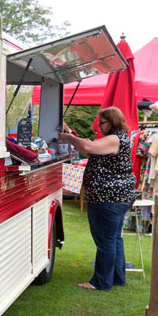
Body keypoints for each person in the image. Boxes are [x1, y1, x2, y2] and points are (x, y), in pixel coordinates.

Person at [58, 107, 136, 290]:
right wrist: (72, 134)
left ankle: (101, 282)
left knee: (105, 241)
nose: (99, 127)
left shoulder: (115, 138)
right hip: (116, 196)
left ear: (112, 122)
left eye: (101, 123)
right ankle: (116, 277)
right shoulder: (118, 138)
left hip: (107, 197)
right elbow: (89, 151)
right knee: (114, 238)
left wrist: (68, 138)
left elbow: (87, 147)